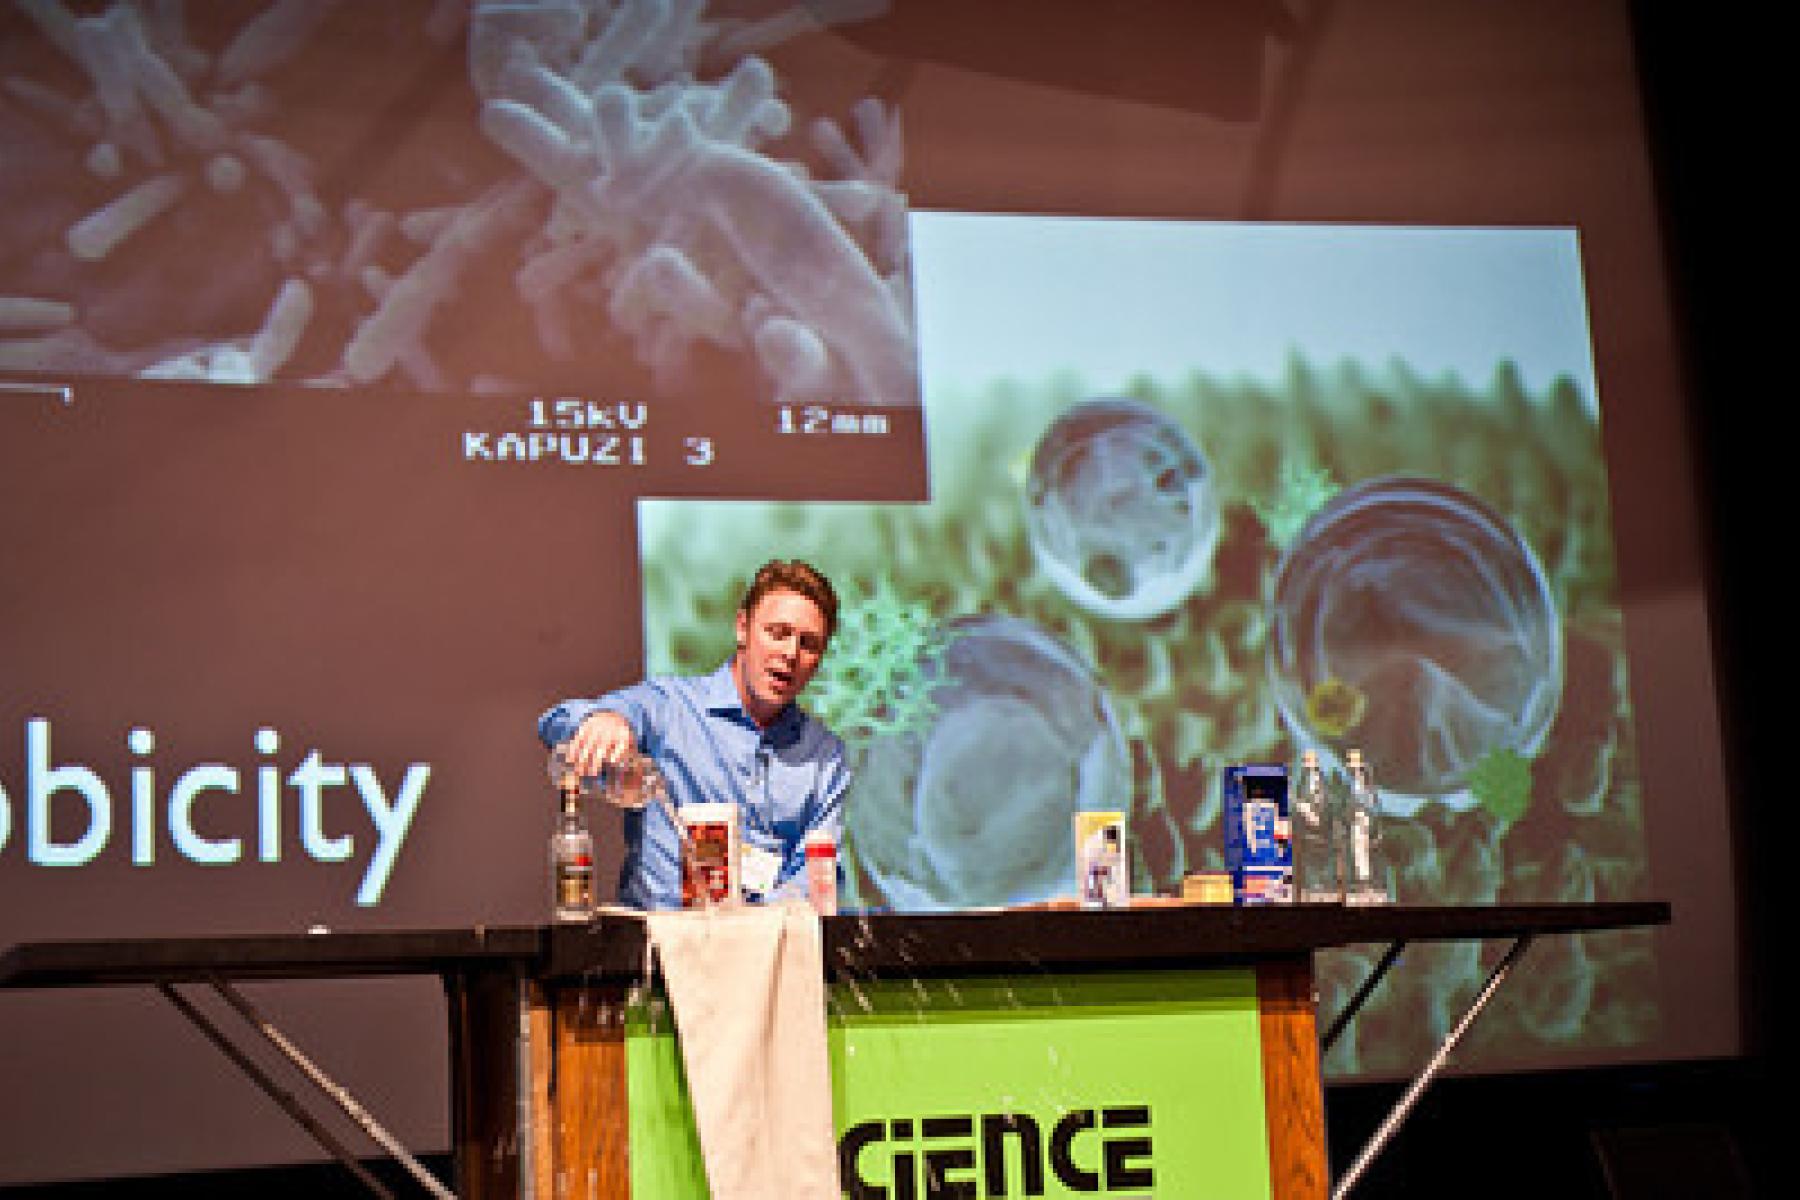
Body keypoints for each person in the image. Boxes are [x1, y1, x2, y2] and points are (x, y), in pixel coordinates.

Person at [538, 559, 850, 909]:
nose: (790, 653)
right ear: (742, 628)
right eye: (777, 633)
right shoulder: (672, 709)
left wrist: (754, 925)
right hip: (663, 949)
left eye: (809, 644)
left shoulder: (823, 755)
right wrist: (603, 720)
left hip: (768, 947)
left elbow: (818, 873)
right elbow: (556, 720)